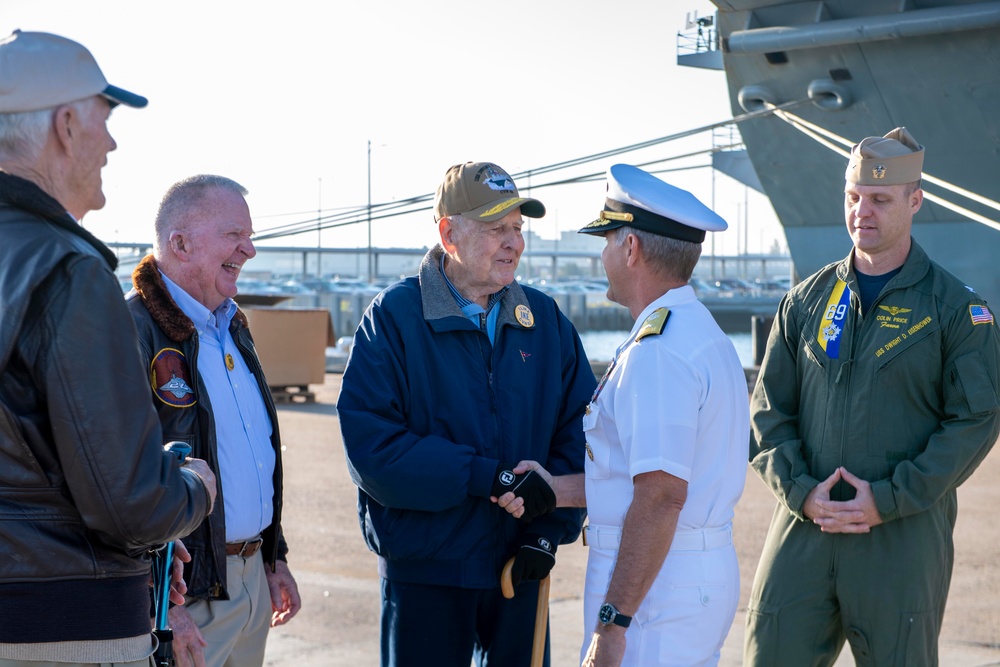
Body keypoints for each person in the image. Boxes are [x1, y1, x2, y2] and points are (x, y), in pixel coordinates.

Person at [744, 127, 1000, 665]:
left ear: (915, 200)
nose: (863, 210)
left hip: (900, 540)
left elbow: (974, 422)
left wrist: (889, 499)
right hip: (805, 528)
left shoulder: (956, 309)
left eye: (880, 200)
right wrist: (800, 491)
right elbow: (769, 411)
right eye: (854, 197)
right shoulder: (806, 301)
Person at [0, 30, 216, 665]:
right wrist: (192, 487)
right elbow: (132, 507)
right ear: (66, 125)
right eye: (105, 119)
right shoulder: (67, 271)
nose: (113, 143)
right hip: (63, 623)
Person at [337, 161, 595, 667]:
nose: (513, 243)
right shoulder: (393, 318)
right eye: (496, 228)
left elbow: (583, 433)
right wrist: (486, 477)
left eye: (518, 228)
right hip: (426, 576)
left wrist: (549, 530)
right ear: (448, 232)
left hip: (522, 569)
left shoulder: (544, 321)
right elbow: (373, 450)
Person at [497, 163, 750, 666]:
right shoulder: (695, 331)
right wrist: (558, 488)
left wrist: (612, 625)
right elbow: (653, 475)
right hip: (681, 575)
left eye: (608, 240)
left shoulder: (659, 352)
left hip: (655, 592)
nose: (603, 254)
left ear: (631, 249)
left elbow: (659, 496)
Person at [125, 175, 301, 667]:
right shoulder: (130, 332)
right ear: (179, 243)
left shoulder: (231, 326)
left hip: (248, 583)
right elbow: (112, 484)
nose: (249, 249)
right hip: (183, 601)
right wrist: (158, 605)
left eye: (248, 235)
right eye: (233, 235)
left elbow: (254, 456)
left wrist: (271, 558)